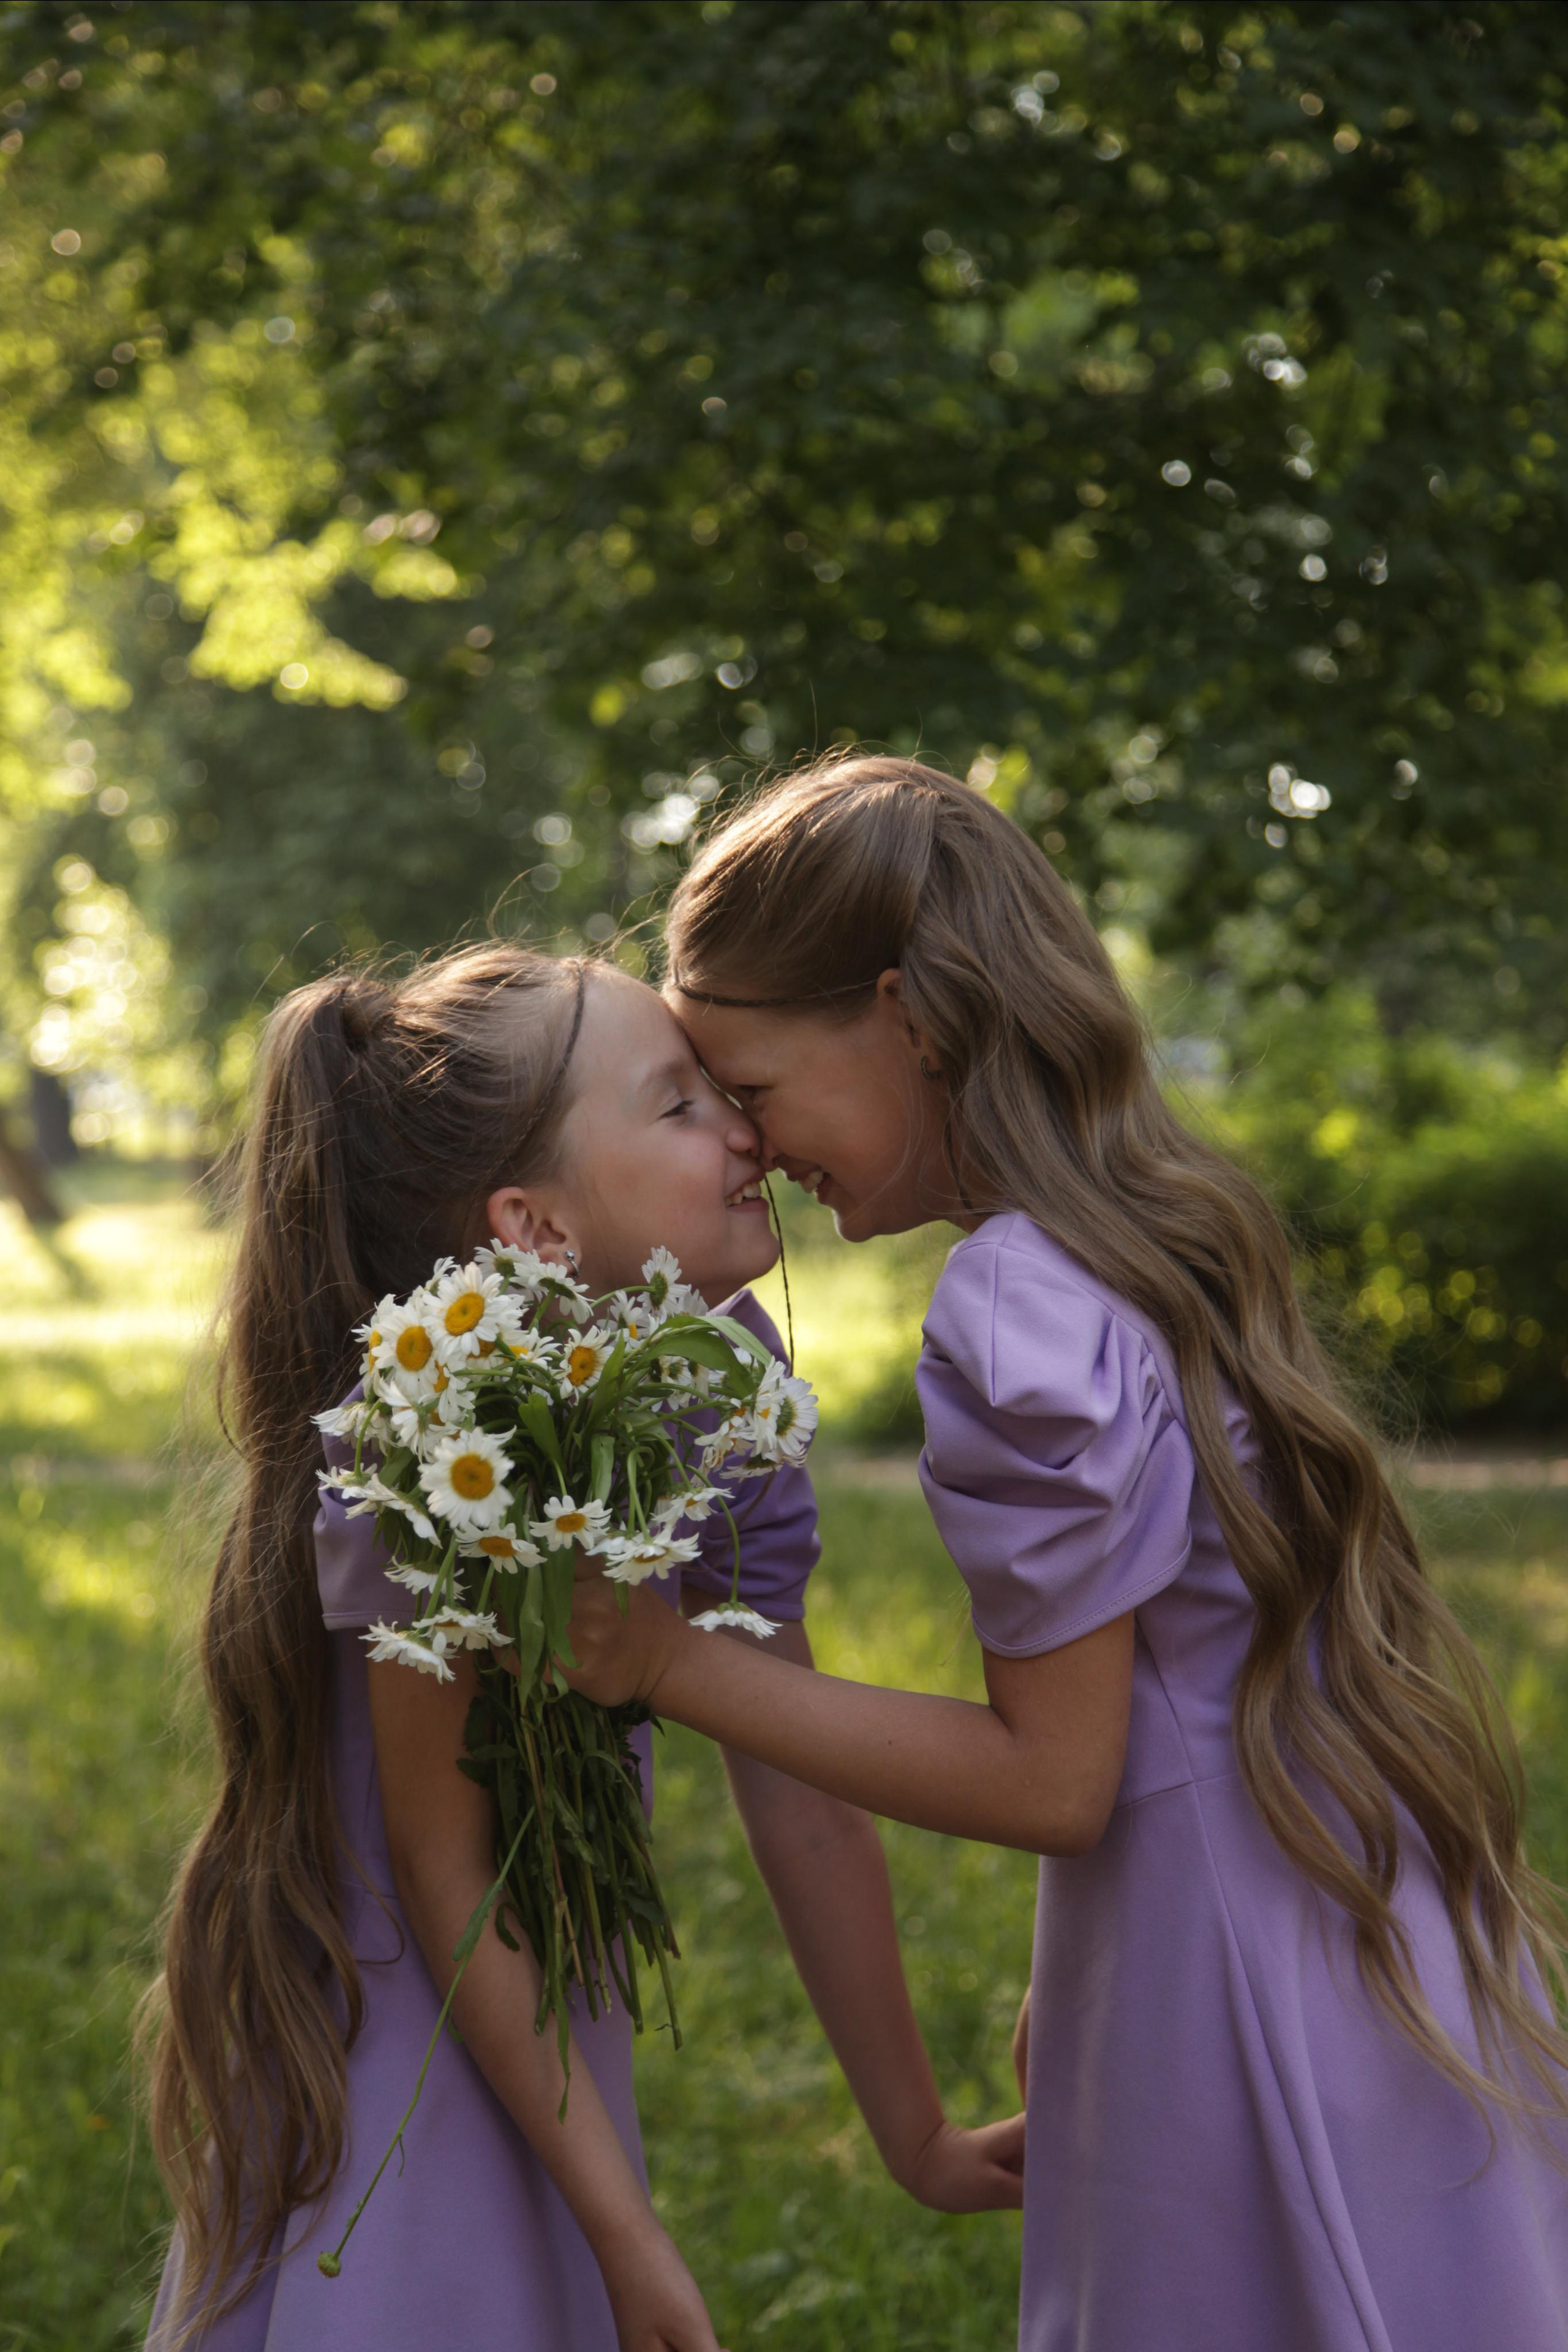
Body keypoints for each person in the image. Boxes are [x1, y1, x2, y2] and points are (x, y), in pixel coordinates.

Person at [563, 757, 1568, 2352]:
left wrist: (668, 1662)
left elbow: (1054, 1780)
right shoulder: (1140, 1227)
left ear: (906, 1015)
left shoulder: (1012, 1312)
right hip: (1339, 1912)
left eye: (750, 1089)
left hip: (1227, 1981)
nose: (750, 1149)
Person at [144, 941, 1022, 2352]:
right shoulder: (440, 1429)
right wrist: (624, 2229)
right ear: (535, 1230)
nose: (744, 1124)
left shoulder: (724, 1379)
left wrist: (912, 2131)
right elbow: (444, 1865)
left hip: (552, 2011)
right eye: (677, 1105)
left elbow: (791, 1776)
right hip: (409, 2030)